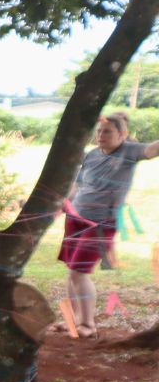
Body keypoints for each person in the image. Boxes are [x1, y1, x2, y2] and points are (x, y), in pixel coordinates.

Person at [61, 113, 157, 335]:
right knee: (71, 272)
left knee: (78, 273)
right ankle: (74, 321)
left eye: (107, 131)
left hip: (101, 222)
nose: (100, 135)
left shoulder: (129, 151)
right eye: (98, 131)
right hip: (75, 218)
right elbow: (77, 188)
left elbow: (153, 149)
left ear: (122, 134)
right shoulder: (90, 155)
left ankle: (87, 325)